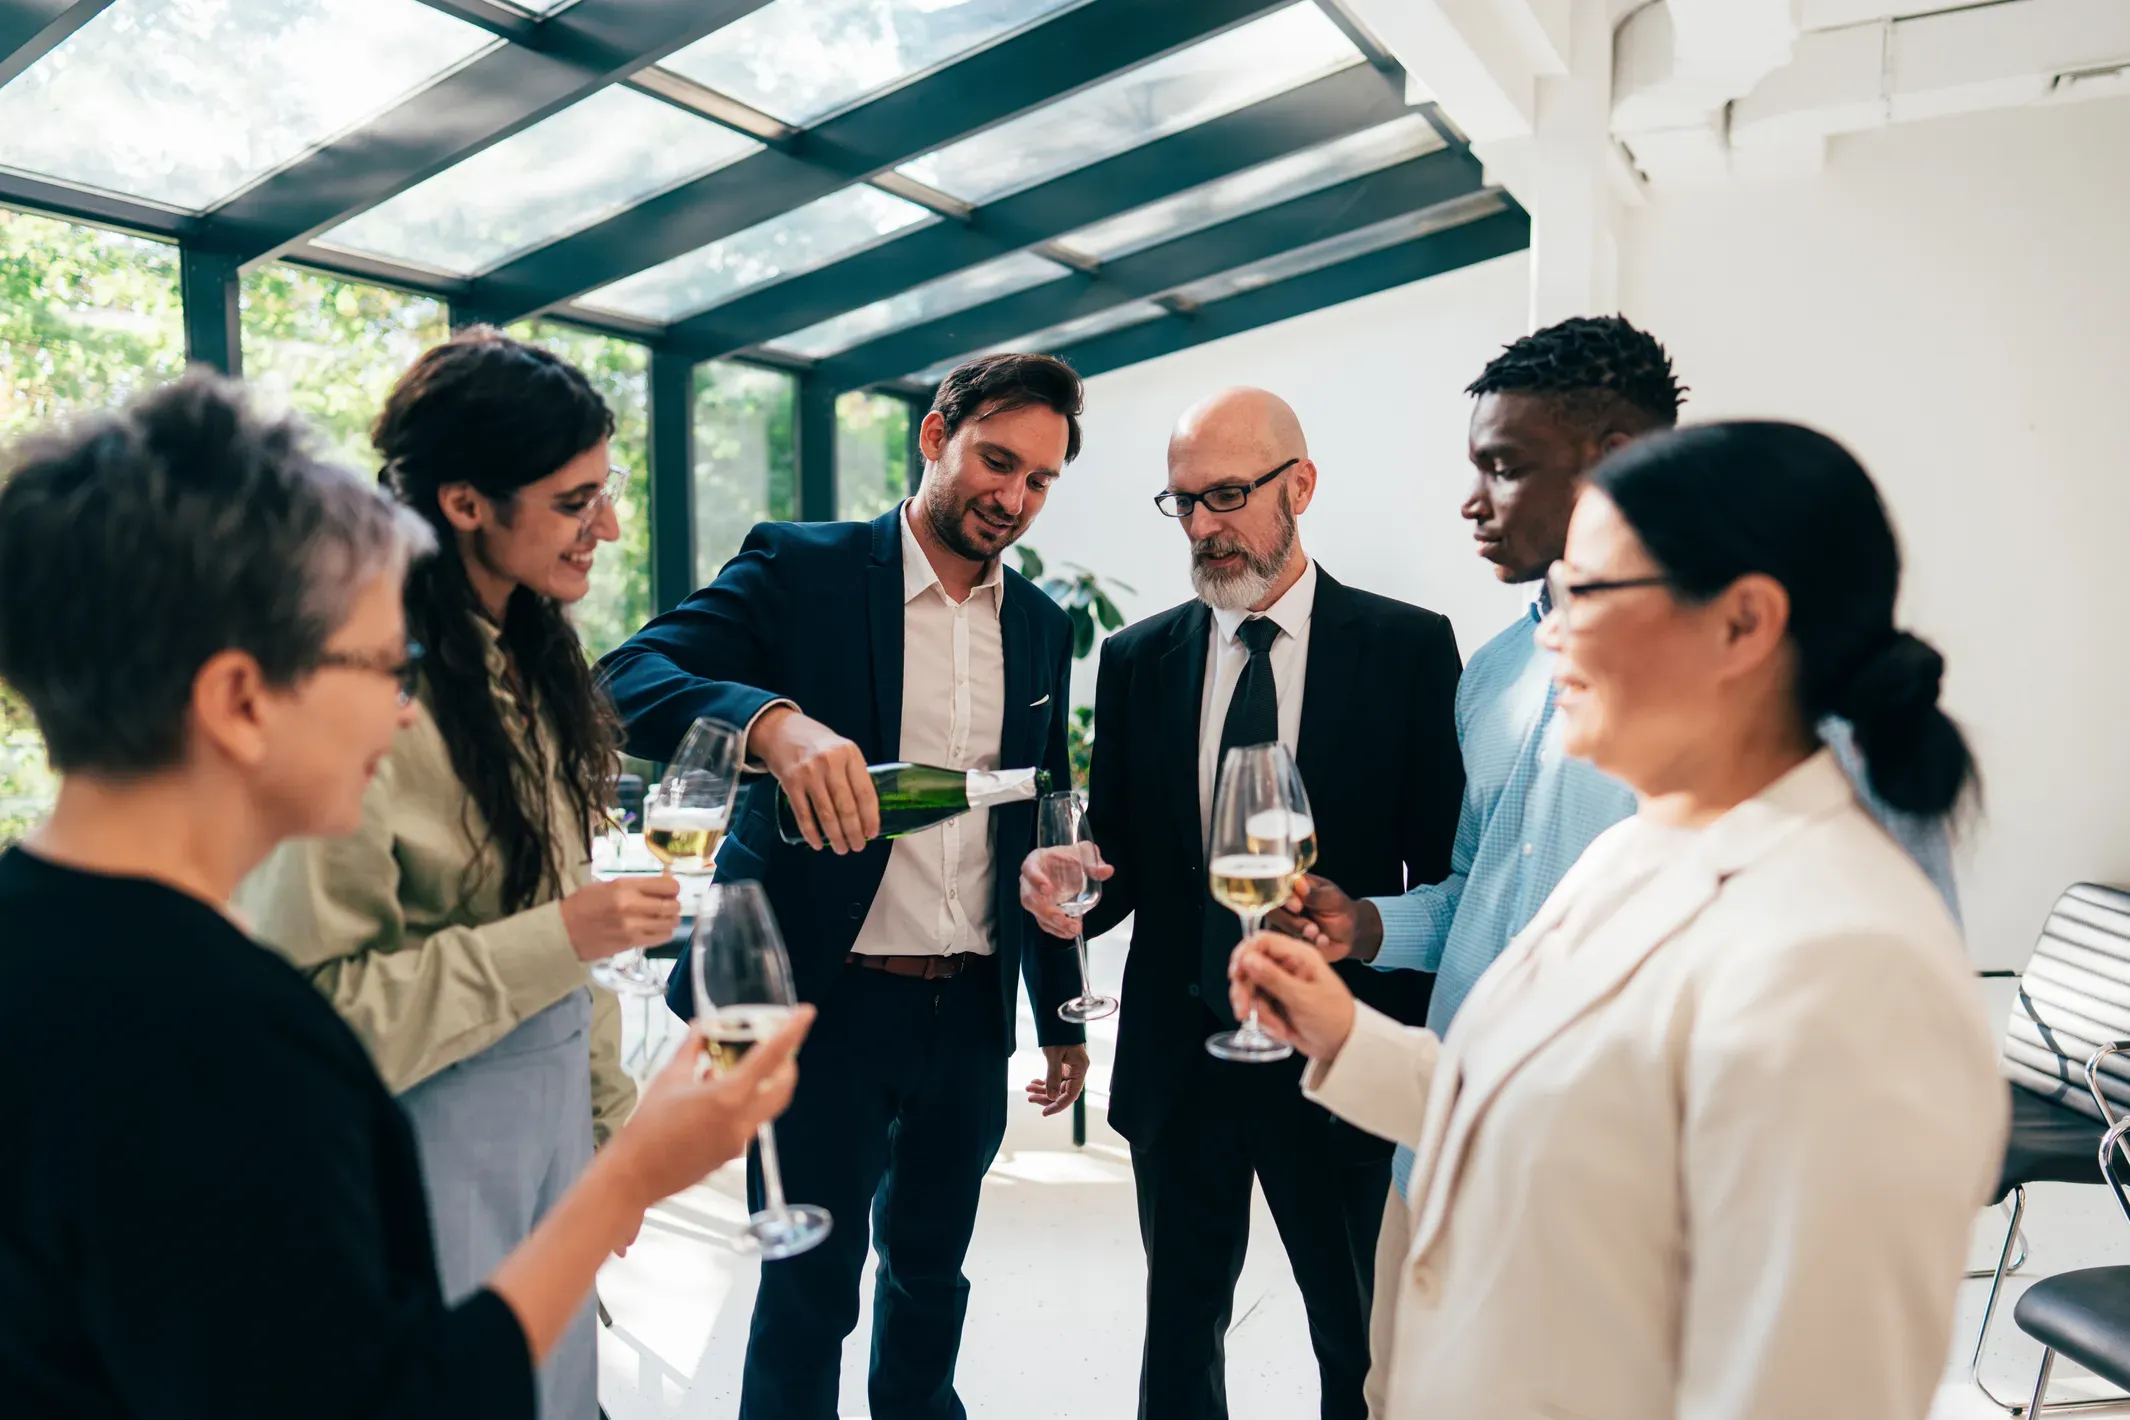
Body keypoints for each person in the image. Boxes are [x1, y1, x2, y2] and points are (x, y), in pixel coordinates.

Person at [0, 371, 811, 1419]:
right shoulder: (228, 1043)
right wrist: (630, 1173)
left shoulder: (66, 948)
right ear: (241, 699)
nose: (400, 713)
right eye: (383, 666)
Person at [1230, 419, 2006, 1419]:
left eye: (1584, 592)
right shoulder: (1633, 848)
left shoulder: (1847, 964)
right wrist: (1346, 1036)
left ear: (1742, 623)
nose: (1547, 631)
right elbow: (1543, 1107)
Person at [597, 353, 1087, 1420]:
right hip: (828, 1001)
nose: (1013, 498)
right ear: (934, 433)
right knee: (810, 1289)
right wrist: (773, 723)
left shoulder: (1045, 626)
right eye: (996, 461)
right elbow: (621, 680)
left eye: (1040, 481)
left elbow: (1037, 823)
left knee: (930, 1280)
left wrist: (1058, 1008)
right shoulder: (802, 568)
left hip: (968, 1008)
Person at [239, 328, 680, 1419]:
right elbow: (310, 1025)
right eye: (576, 501)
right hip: (418, 1164)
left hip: (541, 1145)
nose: (610, 526)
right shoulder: (358, 703)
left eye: (606, 491)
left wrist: (605, 1136)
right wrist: (564, 937)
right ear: (468, 502)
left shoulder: (534, 664)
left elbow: (564, 963)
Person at [1019, 388, 1462, 1420]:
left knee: (1358, 1349)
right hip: (1184, 1063)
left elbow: (1444, 871)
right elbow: (1126, 857)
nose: (1206, 526)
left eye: (1227, 494)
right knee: (1178, 1348)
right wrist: (1078, 887)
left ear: (1299, 486)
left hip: (1342, 1055)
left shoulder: (1408, 650)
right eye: (1183, 503)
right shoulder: (1135, 660)